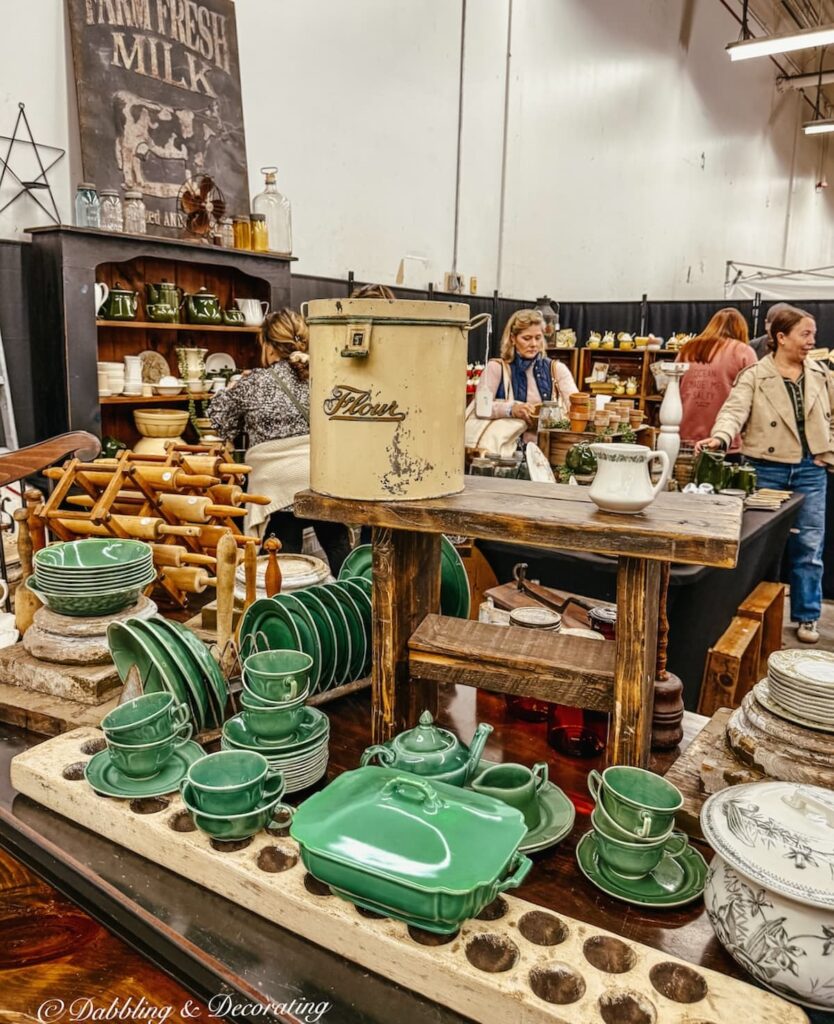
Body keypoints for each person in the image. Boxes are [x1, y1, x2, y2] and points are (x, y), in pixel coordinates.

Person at [695, 306, 832, 644]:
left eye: (813, 333)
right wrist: (720, 437)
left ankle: (807, 615)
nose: (811, 341)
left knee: (809, 546)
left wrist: (829, 448)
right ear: (781, 338)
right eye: (805, 334)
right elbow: (733, 410)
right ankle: (748, 613)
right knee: (758, 547)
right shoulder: (756, 375)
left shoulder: (822, 373)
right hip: (765, 468)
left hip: (810, 470)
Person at [208, 308, 351, 574]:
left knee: (284, 551)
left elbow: (220, 422)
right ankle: (356, 597)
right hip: (322, 474)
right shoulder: (324, 374)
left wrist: (228, 388)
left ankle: (287, 606)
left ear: (270, 347)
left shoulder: (255, 382)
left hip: (278, 483)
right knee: (336, 542)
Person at [475, 308, 577, 444]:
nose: (534, 344)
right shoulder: (496, 369)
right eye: (527, 338)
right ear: (512, 338)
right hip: (504, 451)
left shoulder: (557, 370)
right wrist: (511, 409)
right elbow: (481, 409)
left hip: (545, 451)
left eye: (538, 337)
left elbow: (576, 407)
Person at [677, 307, 756, 451]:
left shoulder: (687, 349)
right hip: (723, 439)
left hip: (684, 435)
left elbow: (673, 386)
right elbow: (754, 396)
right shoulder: (743, 351)